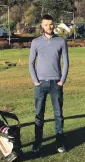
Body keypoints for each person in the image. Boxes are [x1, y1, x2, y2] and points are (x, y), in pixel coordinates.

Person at [29, 14, 69, 153]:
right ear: (42, 26)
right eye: (46, 24)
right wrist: (35, 81)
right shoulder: (35, 42)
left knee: (58, 115)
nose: (49, 27)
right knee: (39, 115)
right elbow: (31, 63)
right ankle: (38, 142)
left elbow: (66, 63)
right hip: (40, 84)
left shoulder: (61, 41)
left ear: (54, 25)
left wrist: (61, 81)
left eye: (51, 24)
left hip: (55, 84)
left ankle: (59, 143)